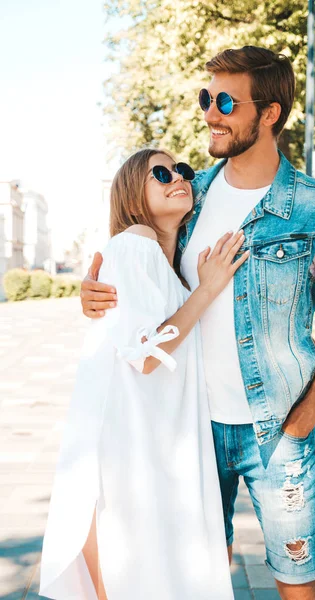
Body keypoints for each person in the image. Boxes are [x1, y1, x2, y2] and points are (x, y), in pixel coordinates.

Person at [81, 47, 315, 600]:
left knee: (302, 588)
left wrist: (300, 423)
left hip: (278, 434)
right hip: (191, 429)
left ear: (270, 114)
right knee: (197, 581)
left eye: (226, 101)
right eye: (206, 98)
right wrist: (96, 298)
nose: (210, 113)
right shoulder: (189, 195)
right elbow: (142, 286)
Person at [40, 148, 246, 600]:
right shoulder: (134, 242)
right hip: (127, 437)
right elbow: (147, 353)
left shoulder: (159, 261)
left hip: (148, 433)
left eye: (184, 171)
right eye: (161, 172)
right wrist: (208, 288)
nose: (179, 177)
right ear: (134, 194)